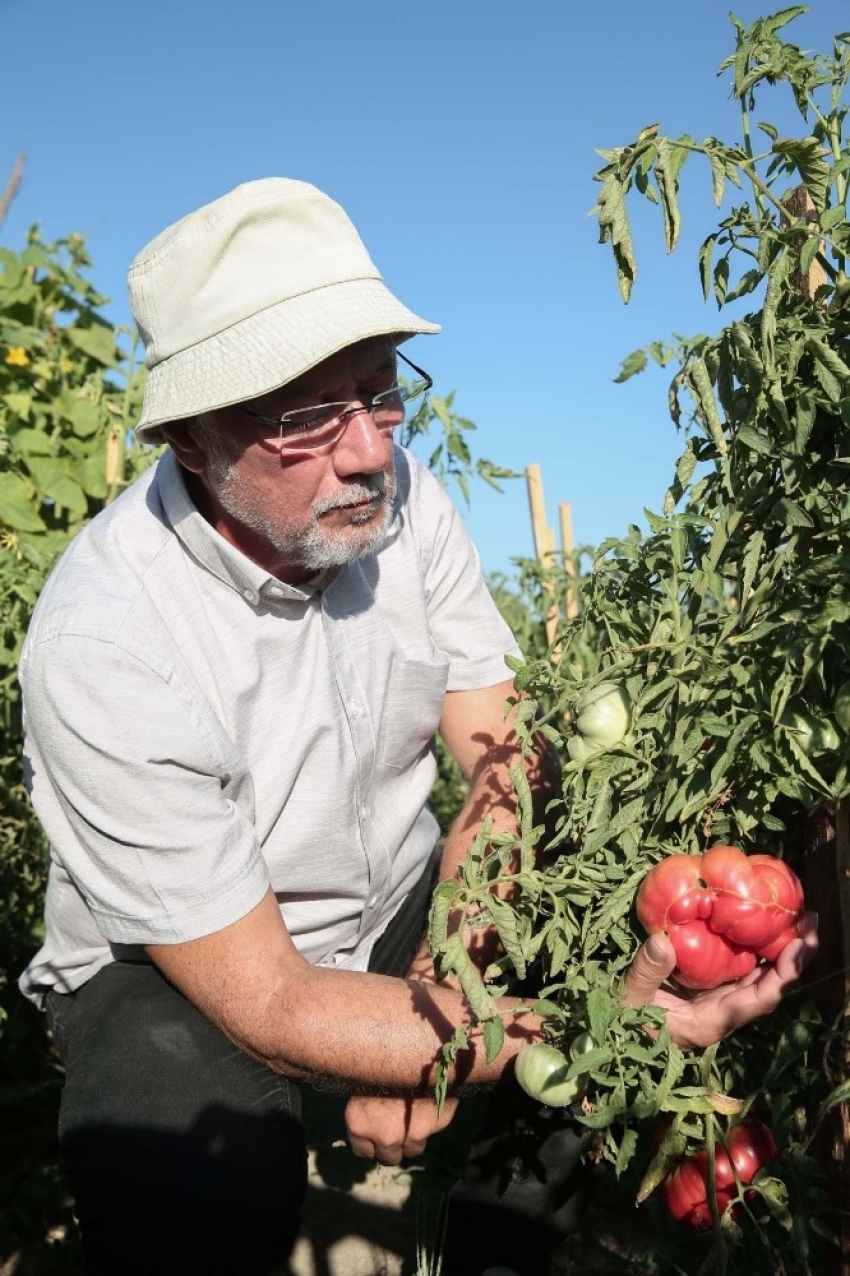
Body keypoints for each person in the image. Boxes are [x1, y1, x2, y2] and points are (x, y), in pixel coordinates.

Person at [18, 178, 818, 1276]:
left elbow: (505, 756)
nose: (365, 450)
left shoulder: (402, 501)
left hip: (399, 905)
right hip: (189, 962)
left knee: (589, 881)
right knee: (174, 1130)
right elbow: (273, 999)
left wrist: (459, 973)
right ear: (192, 441)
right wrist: (563, 1037)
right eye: (306, 413)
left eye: (379, 391)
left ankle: (495, 1241)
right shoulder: (109, 637)